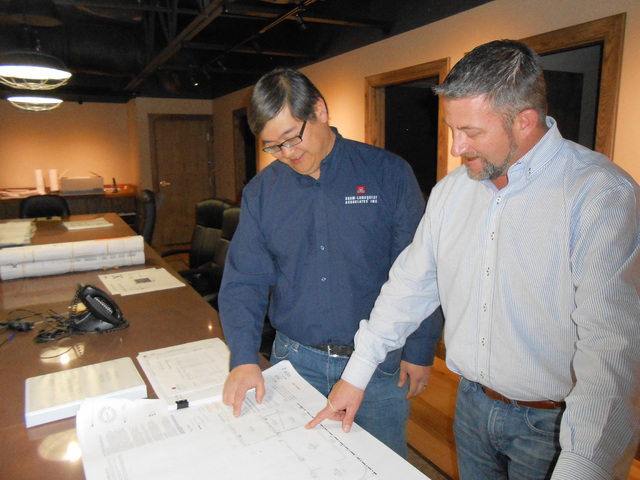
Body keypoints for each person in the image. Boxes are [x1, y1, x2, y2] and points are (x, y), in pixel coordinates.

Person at [307, 39, 640, 479]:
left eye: (472, 132)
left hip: (555, 426)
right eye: (451, 129)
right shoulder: (452, 192)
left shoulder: (599, 196)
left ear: (524, 121)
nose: (456, 147)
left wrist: (583, 466)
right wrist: (358, 373)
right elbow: (410, 287)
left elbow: (611, 355)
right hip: (471, 405)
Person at [218, 68, 444, 458]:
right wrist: (242, 357)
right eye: (273, 146)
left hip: (377, 367)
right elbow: (244, 282)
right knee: (300, 464)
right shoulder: (261, 193)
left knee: (380, 464)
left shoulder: (388, 174)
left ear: (319, 111)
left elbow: (421, 272)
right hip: (293, 361)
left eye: (291, 138)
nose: (287, 154)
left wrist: (421, 348)